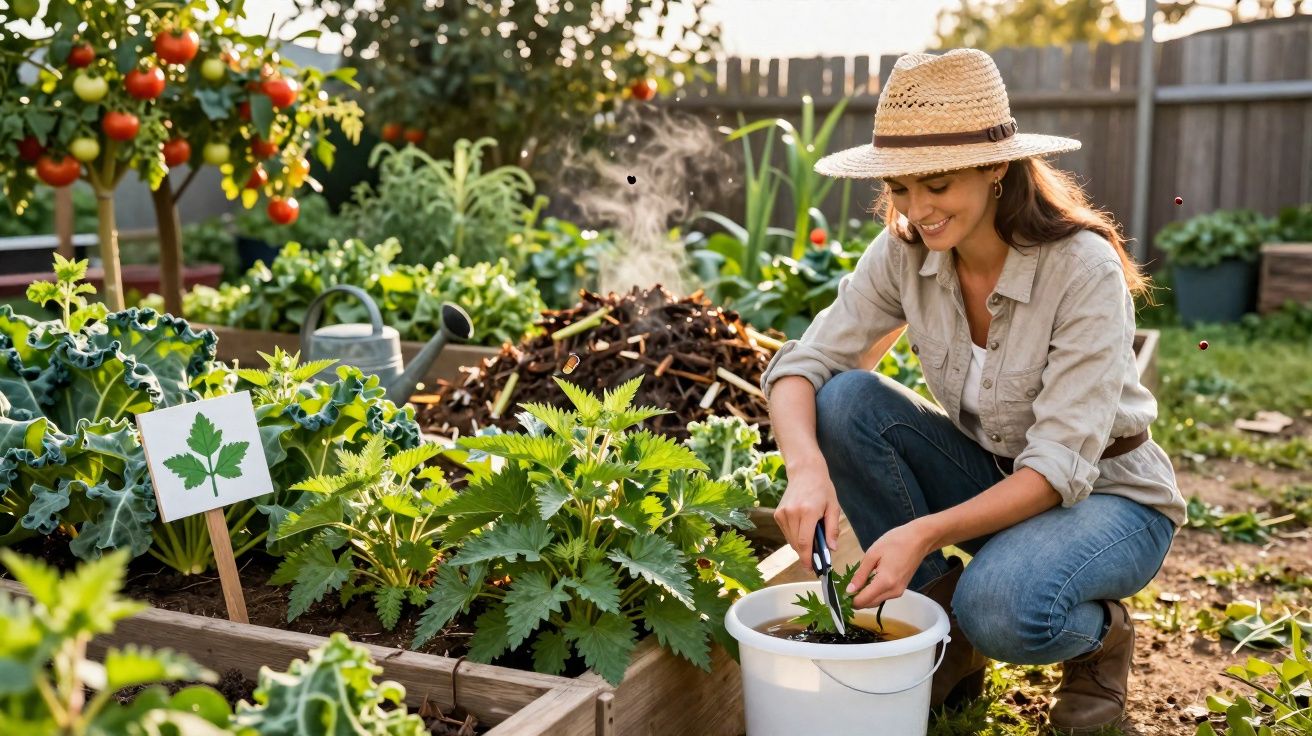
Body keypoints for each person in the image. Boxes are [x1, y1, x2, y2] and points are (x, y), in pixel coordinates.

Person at [760, 48, 1184, 735]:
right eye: (900, 188)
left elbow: (1055, 468)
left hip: (1110, 496)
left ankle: (1098, 640)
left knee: (1001, 609)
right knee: (845, 401)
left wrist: (920, 531)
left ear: (995, 167)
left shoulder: (1082, 270)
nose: (917, 210)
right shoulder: (907, 253)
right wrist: (805, 473)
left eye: (936, 184)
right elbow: (801, 367)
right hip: (994, 473)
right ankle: (945, 644)